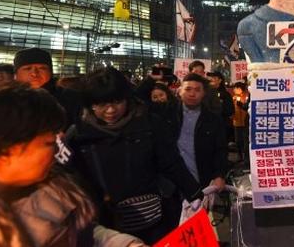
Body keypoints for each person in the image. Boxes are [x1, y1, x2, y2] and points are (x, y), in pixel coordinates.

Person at [0, 83, 145, 246]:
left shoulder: (53, 189)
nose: (57, 150)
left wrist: (124, 244)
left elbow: (83, 234)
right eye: (47, 143)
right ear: (8, 145)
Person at [67, 68, 202, 244]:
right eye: (101, 104)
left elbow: (171, 162)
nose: (110, 110)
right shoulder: (78, 136)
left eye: (117, 102)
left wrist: (194, 193)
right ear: (90, 104)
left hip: (153, 218)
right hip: (105, 225)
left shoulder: (148, 123)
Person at [172, 73, 228, 192]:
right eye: (188, 89)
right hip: (171, 186)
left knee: (200, 211)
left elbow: (220, 150)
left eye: (197, 90)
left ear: (203, 93)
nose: (192, 94)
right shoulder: (166, 115)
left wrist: (219, 175)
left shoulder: (213, 120)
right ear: (180, 91)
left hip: (201, 183)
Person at [14, 47, 83, 128]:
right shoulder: (7, 100)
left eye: (42, 68)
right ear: (16, 74)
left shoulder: (71, 98)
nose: (34, 73)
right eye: (28, 68)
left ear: (50, 71)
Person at [231, 82, 250, 164]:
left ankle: (245, 158)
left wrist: (241, 105)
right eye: (234, 88)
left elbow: (246, 108)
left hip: (244, 122)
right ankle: (240, 156)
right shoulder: (234, 97)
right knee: (238, 141)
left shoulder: (246, 97)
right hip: (236, 122)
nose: (234, 90)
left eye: (236, 88)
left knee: (244, 141)